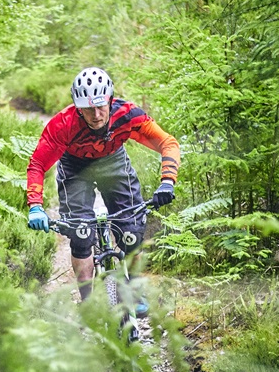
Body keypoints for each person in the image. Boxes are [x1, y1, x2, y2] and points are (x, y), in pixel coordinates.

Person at [26, 67, 180, 311]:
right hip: (75, 167)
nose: (96, 115)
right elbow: (37, 164)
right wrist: (35, 206)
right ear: (78, 107)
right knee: (81, 234)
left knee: (131, 232)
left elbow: (166, 142)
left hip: (113, 162)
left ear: (110, 99)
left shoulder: (127, 115)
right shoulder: (63, 125)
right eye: (87, 109)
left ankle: (137, 291)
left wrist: (167, 181)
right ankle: (89, 300)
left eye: (100, 106)